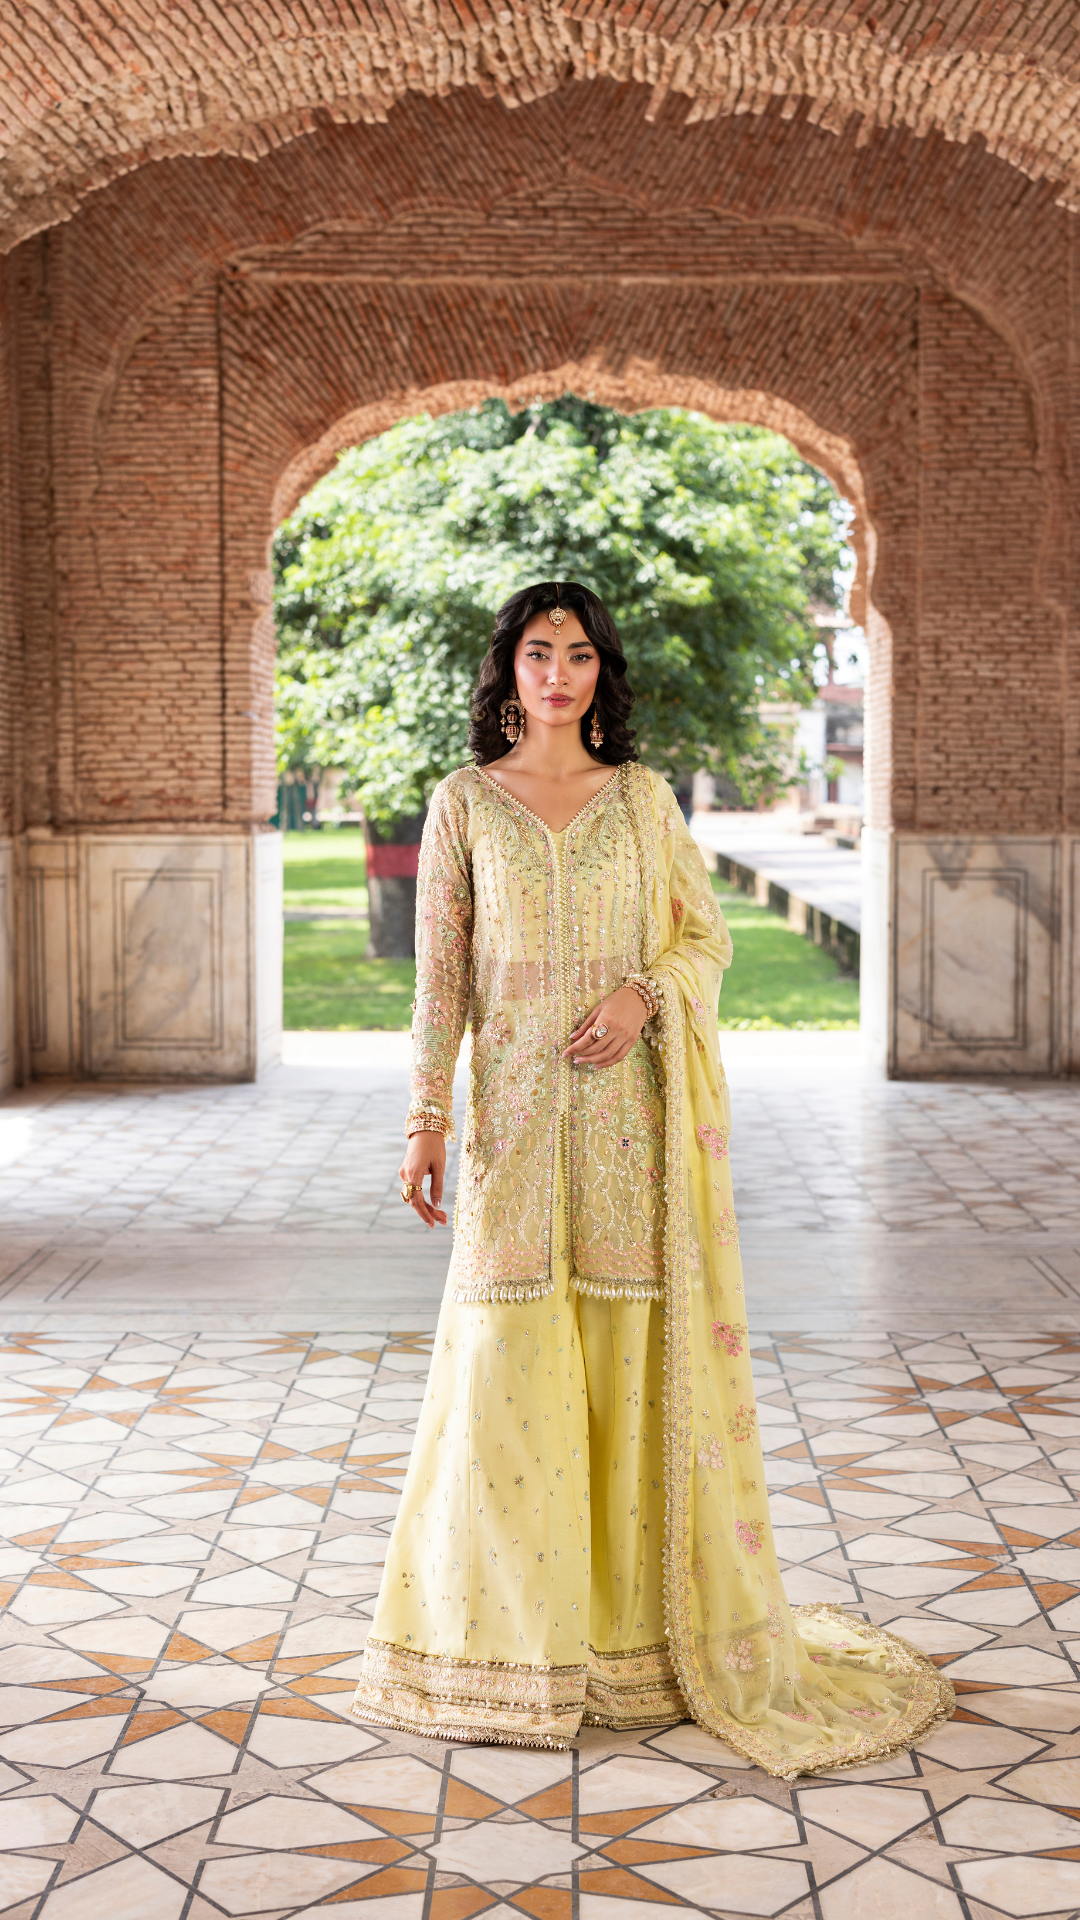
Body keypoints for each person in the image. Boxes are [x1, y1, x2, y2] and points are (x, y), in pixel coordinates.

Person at [351, 581, 952, 1774]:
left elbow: (703, 937)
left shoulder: (640, 801)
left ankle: (631, 1649)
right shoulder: (465, 801)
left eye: (578, 655)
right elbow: (441, 978)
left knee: (628, 1372)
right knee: (503, 1369)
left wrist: (642, 996)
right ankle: (504, 1652)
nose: (557, 675)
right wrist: (427, 1116)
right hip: (515, 1132)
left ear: (600, 672)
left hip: (630, 1136)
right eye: (538, 654)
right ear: (508, 670)